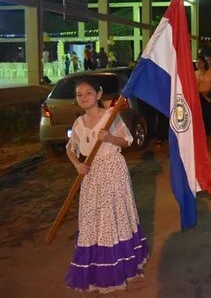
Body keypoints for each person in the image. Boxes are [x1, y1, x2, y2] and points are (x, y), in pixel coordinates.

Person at [65, 77, 149, 292]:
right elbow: (70, 148)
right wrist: (77, 165)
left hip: (112, 171)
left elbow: (127, 140)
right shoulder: (78, 123)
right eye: (79, 94)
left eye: (88, 93)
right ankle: (95, 266)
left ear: (99, 94)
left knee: (112, 216)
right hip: (90, 174)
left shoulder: (110, 117)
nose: (83, 97)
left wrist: (110, 137)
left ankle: (118, 264)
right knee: (91, 218)